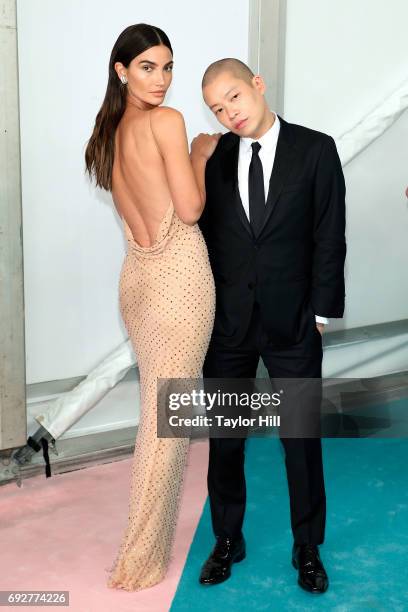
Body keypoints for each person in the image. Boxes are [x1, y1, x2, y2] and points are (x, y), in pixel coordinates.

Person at [197, 58, 346, 594]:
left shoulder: (316, 149)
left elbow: (330, 236)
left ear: (257, 85)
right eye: (216, 107)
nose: (228, 112)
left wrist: (322, 314)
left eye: (233, 97)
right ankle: (226, 539)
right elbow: (210, 242)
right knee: (225, 441)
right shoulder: (215, 161)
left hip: (295, 325)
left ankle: (307, 547)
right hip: (230, 328)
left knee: (300, 440)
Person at [85, 24, 217, 591]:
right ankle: (139, 560)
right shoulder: (168, 123)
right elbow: (189, 210)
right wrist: (202, 155)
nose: (160, 80)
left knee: (159, 418)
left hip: (136, 283)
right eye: (147, 68)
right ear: (122, 71)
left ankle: (144, 548)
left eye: (167, 68)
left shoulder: (108, 132)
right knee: (167, 425)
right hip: (179, 282)